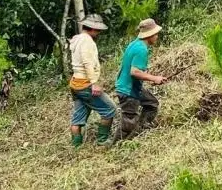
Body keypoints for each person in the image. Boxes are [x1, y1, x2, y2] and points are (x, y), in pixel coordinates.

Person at [67, 13, 117, 146]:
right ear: (92, 28)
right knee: (110, 109)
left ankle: (75, 146)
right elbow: (87, 62)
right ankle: (102, 140)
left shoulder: (76, 39)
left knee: (78, 117)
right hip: (85, 84)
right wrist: (94, 83)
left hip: (75, 84)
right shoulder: (87, 41)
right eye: (98, 30)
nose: (99, 32)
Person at [116, 18, 168, 139]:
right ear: (149, 34)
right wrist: (154, 78)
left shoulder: (135, 44)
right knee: (128, 123)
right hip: (128, 90)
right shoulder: (141, 49)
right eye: (155, 34)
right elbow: (134, 72)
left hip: (130, 87)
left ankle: (141, 130)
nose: (157, 36)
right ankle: (117, 146)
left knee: (151, 104)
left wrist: (152, 79)